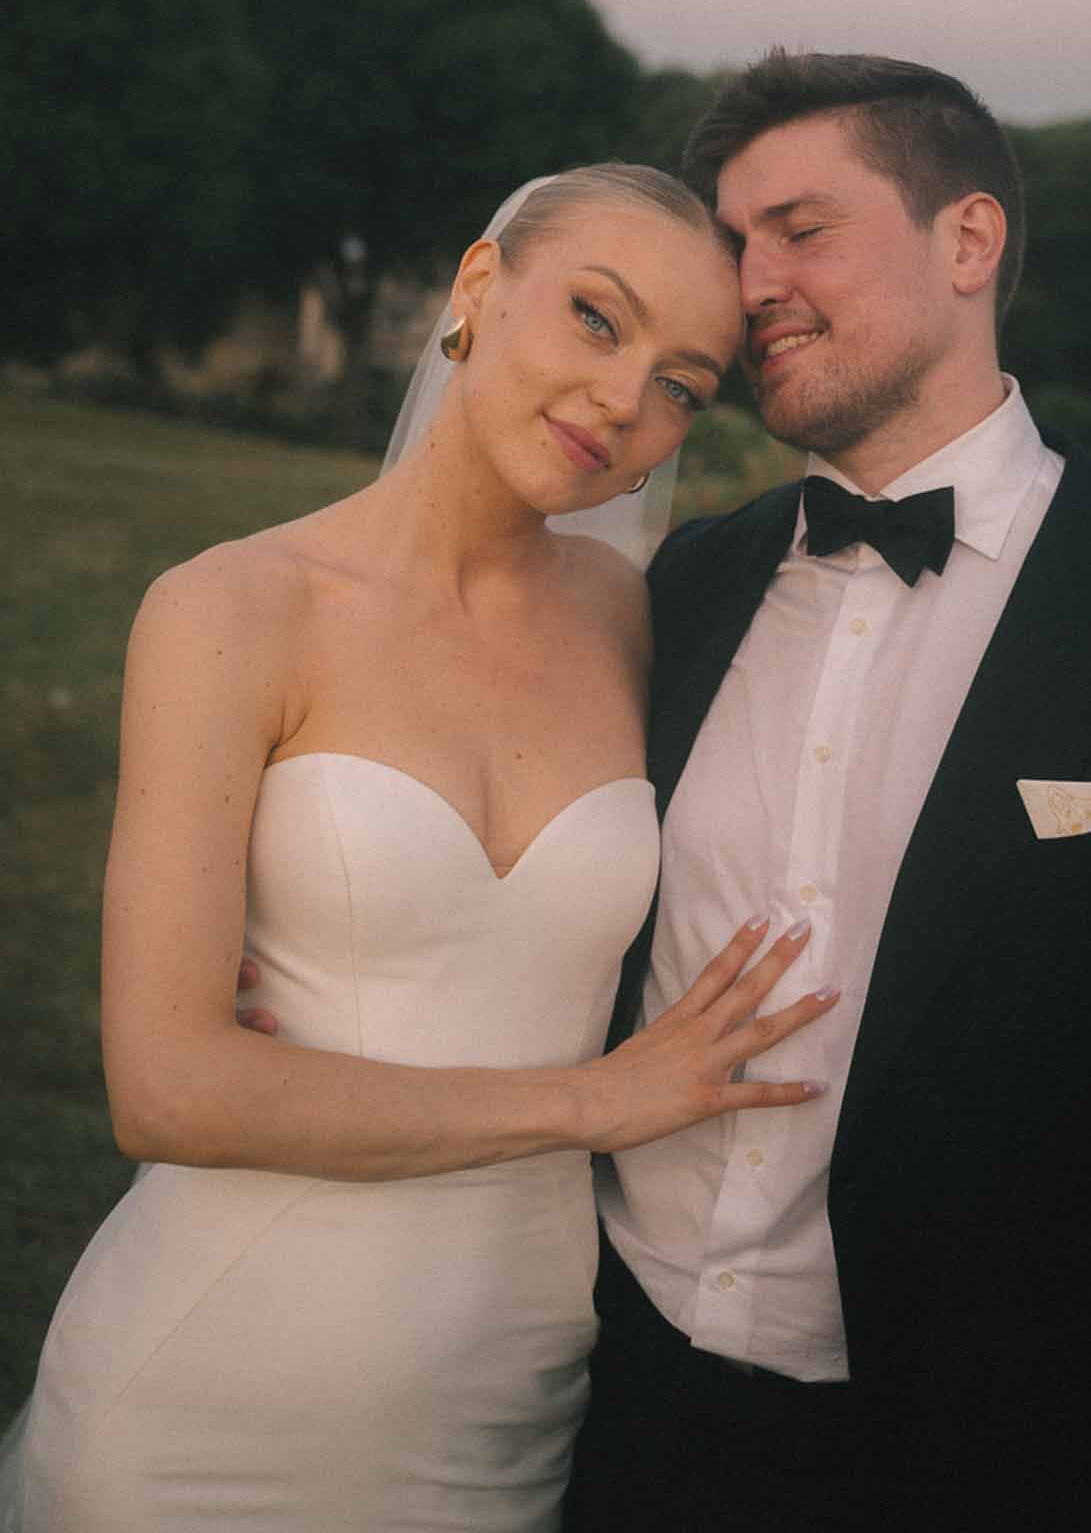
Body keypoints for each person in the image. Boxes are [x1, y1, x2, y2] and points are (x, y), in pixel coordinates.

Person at [563, 53, 1091, 1533]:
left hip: (976, 1467)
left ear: (970, 241)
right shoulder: (671, 594)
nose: (753, 286)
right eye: (734, 245)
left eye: (802, 229)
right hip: (607, 1414)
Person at [11, 164, 836, 1533]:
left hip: (506, 1410)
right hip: (209, 1396)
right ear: (476, 288)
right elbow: (167, 1088)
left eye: (684, 383)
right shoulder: (232, 608)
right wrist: (591, 1101)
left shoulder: (637, 622)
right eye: (594, 317)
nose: (626, 401)